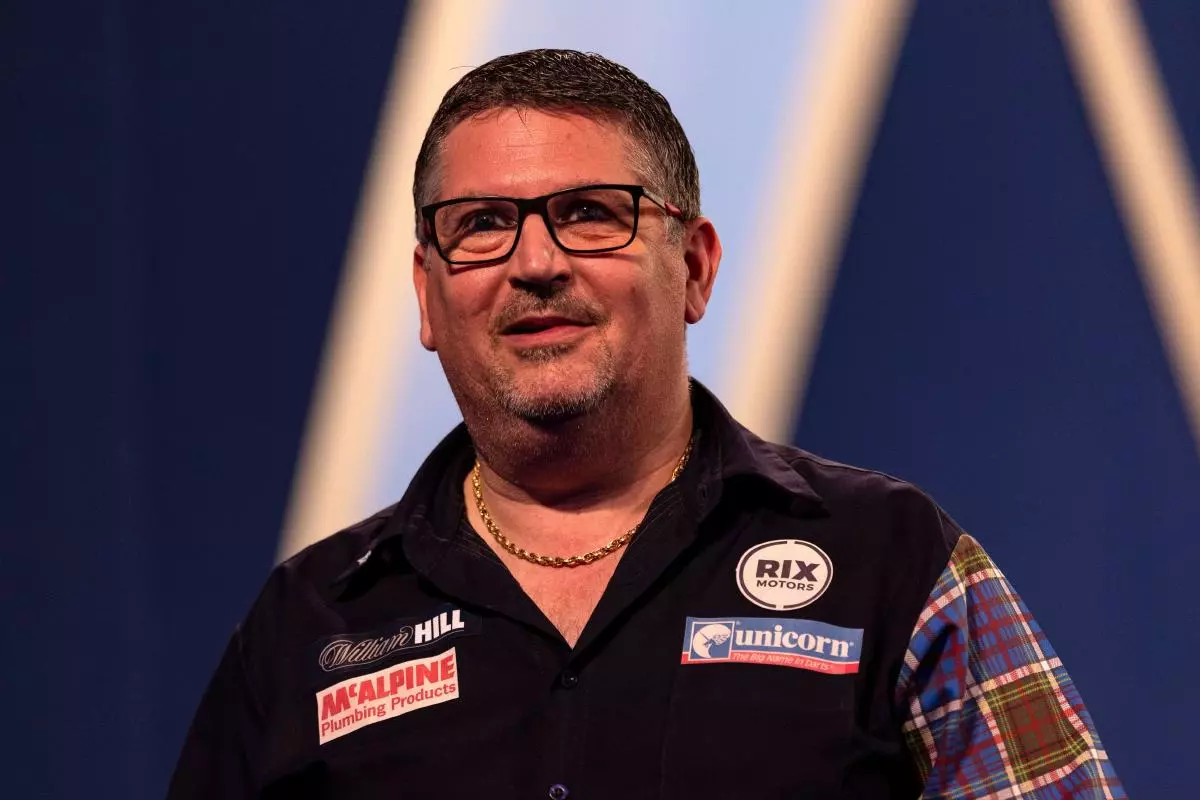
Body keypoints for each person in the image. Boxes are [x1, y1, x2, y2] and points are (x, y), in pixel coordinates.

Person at [169, 49, 1122, 799]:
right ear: (428, 294)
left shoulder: (897, 568)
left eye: (590, 214)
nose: (534, 261)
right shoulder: (306, 626)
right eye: (481, 224)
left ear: (696, 268)